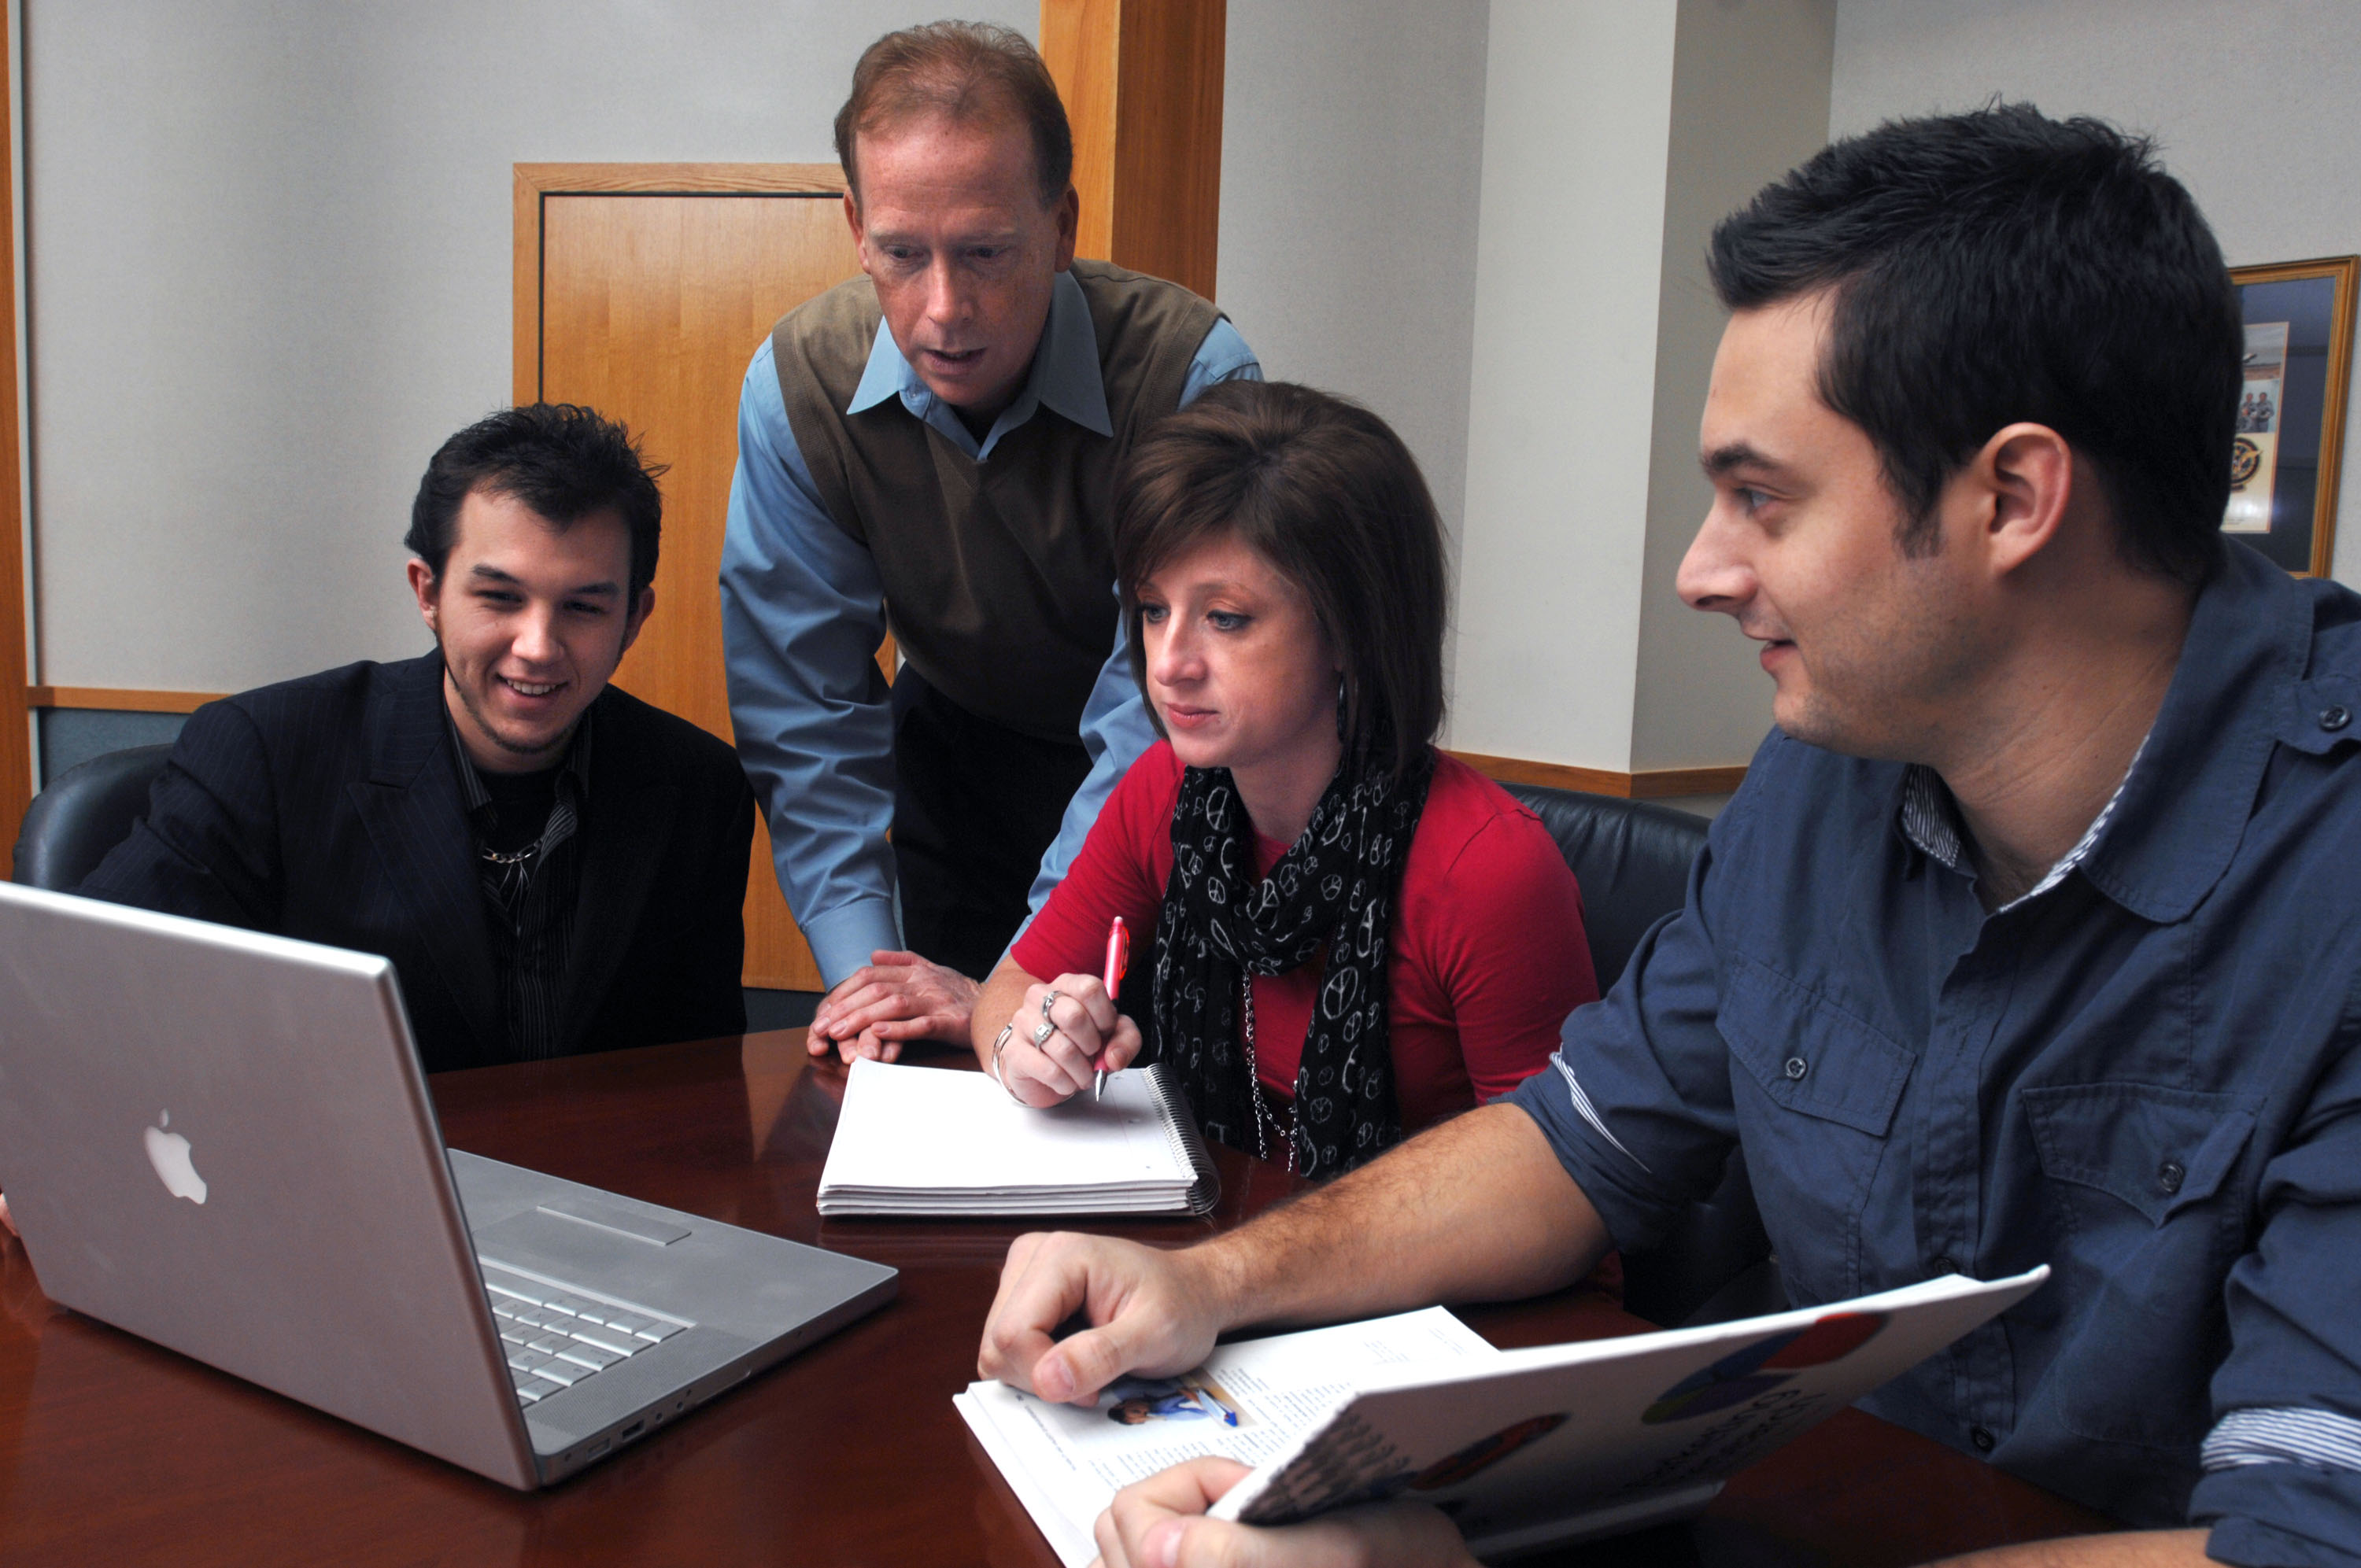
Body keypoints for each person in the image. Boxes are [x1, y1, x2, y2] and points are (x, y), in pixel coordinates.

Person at [977, 106, 2361, 1568]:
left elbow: (2305, 1546)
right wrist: (1211, 1284)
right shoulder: (1824, 780)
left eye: (1762, 497)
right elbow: (1577, 1144)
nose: (1701, 569)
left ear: (2010, 498)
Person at [719, 20, 1259, 1061]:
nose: (943, 310)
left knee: (1120, 1082)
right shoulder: (799, 389)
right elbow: (807, 716)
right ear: (856, 228)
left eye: (985, 253)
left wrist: (1011, 996)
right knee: (926, 1061)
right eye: (901, 254)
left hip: (1172, 773)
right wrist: (871, 989)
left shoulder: (1190, 378)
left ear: (1060, 227)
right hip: (957, 759)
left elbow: (1157, 702)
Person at [972, 382, 1595, 1177]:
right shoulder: (1162, 792)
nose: (1168, 664)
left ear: (1351, 630)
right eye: (1155, 609)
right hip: (1199, 1226)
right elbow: (1008, 989)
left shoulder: (1490, 869)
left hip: (1408, 1254)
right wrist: (1029, 1046)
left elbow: (1559, 1188)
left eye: (1226, 618)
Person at [79, 403, 755, 1075]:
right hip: (338, 1142)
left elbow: (702, 1070)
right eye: (500, 597)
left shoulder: (699, 787)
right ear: (428, 593)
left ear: (633, 619)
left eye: (583, 607)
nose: (537, 646)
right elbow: (89, 984)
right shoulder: (266, 753)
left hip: (596, 1148)